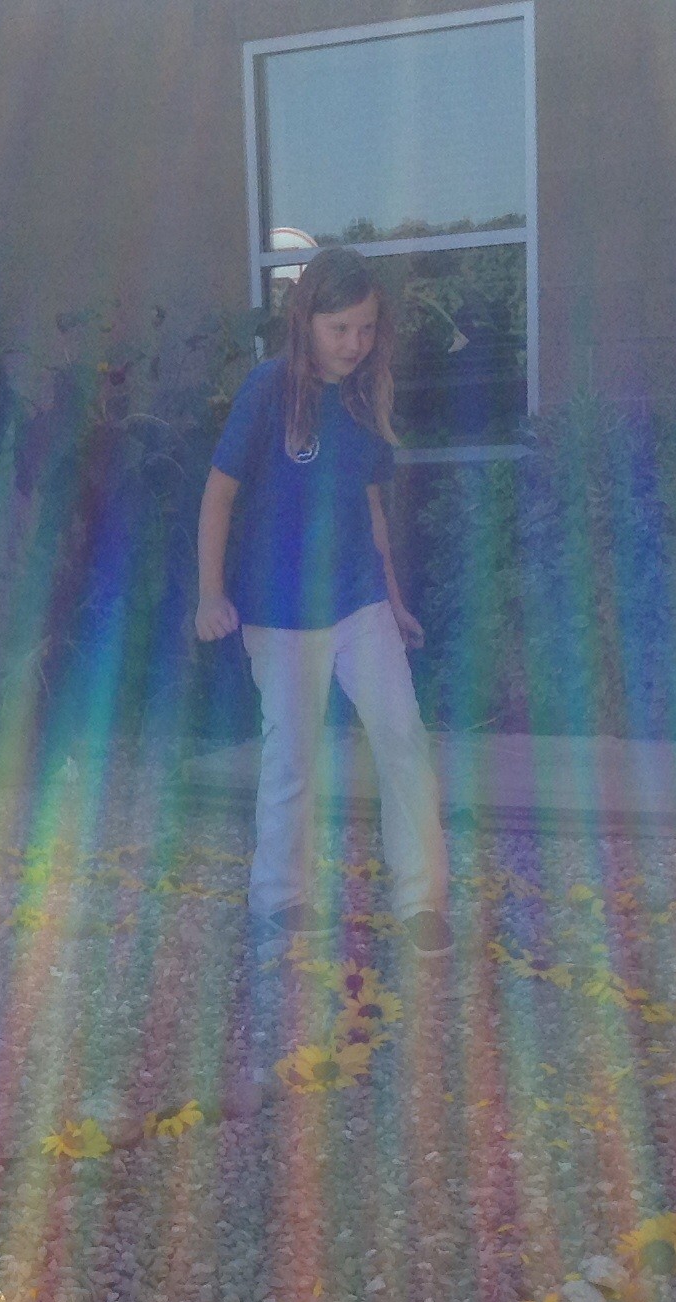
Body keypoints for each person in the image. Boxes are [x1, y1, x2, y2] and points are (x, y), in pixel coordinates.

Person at [194, 248, 451, 959]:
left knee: (403, 738)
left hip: (360, 604)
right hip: (279, 614)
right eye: (340, 328)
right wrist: (210, 593)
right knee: (293, 756)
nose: (354, 343)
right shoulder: (267, 391)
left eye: (366, 328)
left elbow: (372, 511)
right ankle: (279, 898)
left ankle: (422, 902)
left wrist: (394, 601)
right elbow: (218, 496)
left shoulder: (365, 399)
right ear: (306, 320)